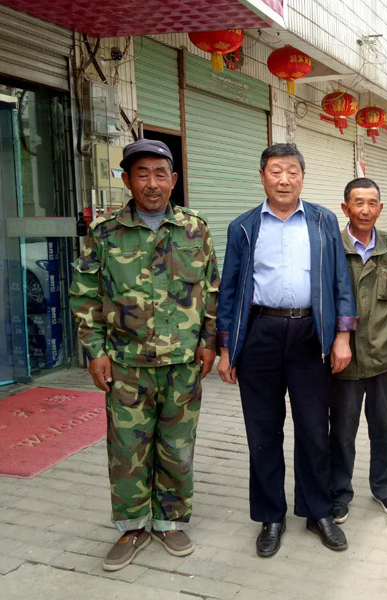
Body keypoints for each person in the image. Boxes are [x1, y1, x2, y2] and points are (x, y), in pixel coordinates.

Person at [69, 139, 220, 571]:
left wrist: (209, 341)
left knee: (177, 447)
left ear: (173, 180)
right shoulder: (105, 232)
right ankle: (132, 527)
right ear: (127, 180)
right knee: (127, 449)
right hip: (126, 364)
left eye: (160, 174)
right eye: (142, 174)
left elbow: (212, 288)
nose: (152, 183)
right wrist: (95, 351)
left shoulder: (195, 228)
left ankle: (170, 522)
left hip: (182, 363)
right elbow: (85, 294)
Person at [216, 143, 358, 557]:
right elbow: (229, 291)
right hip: (260, 334)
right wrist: (225, 349)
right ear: (262, 177)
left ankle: (318, 511)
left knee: (314, 429)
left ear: (302, 177)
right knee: (263, 431)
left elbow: (340, 281)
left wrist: (342, 336)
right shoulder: (243, 227)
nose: (284, 180)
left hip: (311, 334)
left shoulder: (323, 220)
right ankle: (270, 517)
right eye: (276, 172)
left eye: (292, 172)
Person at [330, 178, 387, 524]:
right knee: (341, 431)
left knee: (384, 426)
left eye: (372, 203)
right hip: (343, 359)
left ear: (380, 208)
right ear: (345, 208)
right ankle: (338, 493)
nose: (365, 210)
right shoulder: (332, 246)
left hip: (383, 355)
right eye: (358, 203)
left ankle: (386, 487)